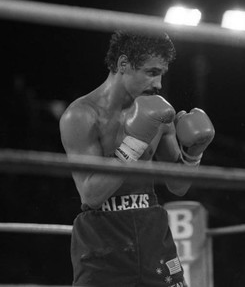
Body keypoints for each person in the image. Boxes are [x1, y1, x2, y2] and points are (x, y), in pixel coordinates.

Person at [59, 30, 215, 287]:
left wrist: (193, 153)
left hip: (152, 231)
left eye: (161, 73)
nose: (159, 84)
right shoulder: (81, 116)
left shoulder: (160, 111)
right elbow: (91, 196)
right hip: (102, 239)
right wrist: (133, 142)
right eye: (151, 72)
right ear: (123, 64)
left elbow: (178, 187)